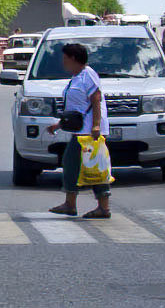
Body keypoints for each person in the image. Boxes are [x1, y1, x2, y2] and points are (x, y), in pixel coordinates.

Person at [46, 43, 111, 219]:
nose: (63, 62)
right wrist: (58, 125)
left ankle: (80, 205)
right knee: (84, 165)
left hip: (89, 132)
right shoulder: (77, 77)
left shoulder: (88, 75)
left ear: (74, 59)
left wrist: (96, 125)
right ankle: (76, 204)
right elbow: (77, 110)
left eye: (65, 59)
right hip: (82, 130)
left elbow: (96, 100)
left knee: (82, 164)